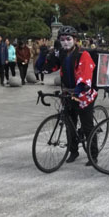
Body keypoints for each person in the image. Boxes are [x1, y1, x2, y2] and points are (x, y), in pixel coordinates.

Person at [43, 26, 99, 165]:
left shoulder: (83, 54)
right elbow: (47, 69)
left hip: (84, 94)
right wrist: (45, 54)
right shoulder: (61, 54)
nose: (65, 42)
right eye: (62, 40)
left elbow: (85, 77)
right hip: (68, 93)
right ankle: (73, 151)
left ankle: (93, 154)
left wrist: (77, 91)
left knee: (87, 126)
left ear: (75, 40)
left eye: (68, 39)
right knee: (69, 124)